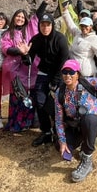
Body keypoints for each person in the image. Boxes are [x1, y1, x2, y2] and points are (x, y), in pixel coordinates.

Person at [1, 0, 51, 132]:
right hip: (15, 69)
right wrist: (19, 51)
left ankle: (30, 121)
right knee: (18, 95)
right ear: (14, 18)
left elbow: (37, 17)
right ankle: (17, 123)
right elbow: (6, 48)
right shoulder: (8, 33)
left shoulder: (29, 29)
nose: (20, 19)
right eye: (18, 16)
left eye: (23, 17)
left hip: (30, 68)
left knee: (31, 94)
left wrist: (45, 2)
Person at [26, 12, 70, 147]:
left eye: (48, 25)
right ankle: (46, 132)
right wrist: (24, 54)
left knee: (56, 104)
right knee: (39, 102)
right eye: (42, 25)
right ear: (39, 26)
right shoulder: (35, 40)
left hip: (59, 74)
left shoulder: (60, 39)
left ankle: (59, 130)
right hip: (43, 73)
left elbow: (63, 61)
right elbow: (28, 61)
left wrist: (55, 81)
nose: (45, 28)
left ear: (52, 25)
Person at [61, 5, 97, 78]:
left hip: (86, 74)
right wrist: (65, 12)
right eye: (82, 26)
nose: (84, 28)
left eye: (86, 26)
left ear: (91, 26)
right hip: (74, 73)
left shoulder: (94, 39)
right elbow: (71, 25)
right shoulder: (78, 34)